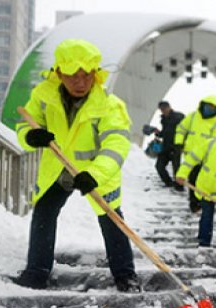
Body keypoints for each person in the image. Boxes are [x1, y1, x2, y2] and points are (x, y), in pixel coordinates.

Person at [10, 39, 140, 292]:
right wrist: (30, 136)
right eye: (72, 76)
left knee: (111, 218)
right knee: (44, 214)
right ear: (59, 73)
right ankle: (36, 273)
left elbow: (116, 144)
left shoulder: (109, 105)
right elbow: (26, 124)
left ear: (95, 74)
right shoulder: (43, 95)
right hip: (58, 168)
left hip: (96, 173)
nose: (80, 83)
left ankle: (126, 275)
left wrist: (93, 174)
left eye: (86, 75)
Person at [173, 96, 216, 213]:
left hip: (209, 159)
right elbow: (181, 128)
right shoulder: (193, 116)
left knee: (212, 181)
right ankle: (195, 204)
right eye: (207, 105)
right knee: (193, 180)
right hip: (192, 155)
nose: (209, 108)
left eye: (212, 106)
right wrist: (178, 141)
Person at [151, 101, 185, 190]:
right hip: (166, 147)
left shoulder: (179, 117)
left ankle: (179, 186)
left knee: (177, 168)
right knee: (159, 166)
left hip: (176, 147)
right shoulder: (163, 119)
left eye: (164, 109)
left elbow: (186, 130)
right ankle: (169, 183)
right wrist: (157, 133)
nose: (163, 111)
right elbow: (165, 133)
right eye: (161, 109)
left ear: (169, 107)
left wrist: (183, 144)